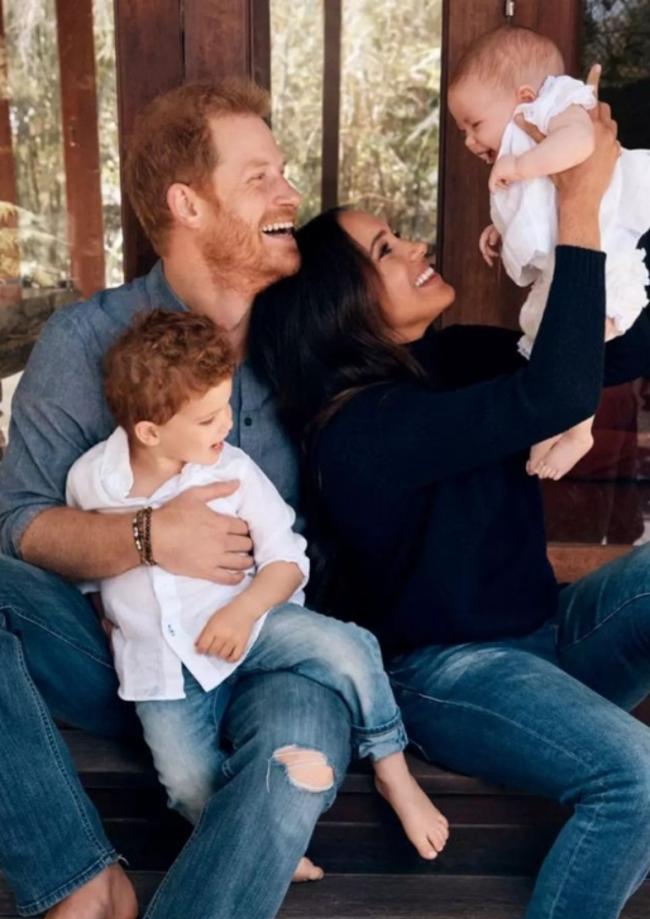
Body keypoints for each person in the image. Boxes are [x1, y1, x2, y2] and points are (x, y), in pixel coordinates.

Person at [250, 96, 650, 919]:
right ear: (339, 308)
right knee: (635, 781)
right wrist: (576, 202)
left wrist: (581, 224)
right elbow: (550, 401)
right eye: (387, 250)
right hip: (454, 676)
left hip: (547, 641)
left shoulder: (452, 357)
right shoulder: (356, 432)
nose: (419, 247)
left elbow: (607, 359)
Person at [0, 79, 375, 919]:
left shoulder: (311, 334)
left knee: (292, 769)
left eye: (283, 174)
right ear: (187, 203)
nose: (289, 195)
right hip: (127, 657)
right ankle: (81, 879)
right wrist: (147, 533)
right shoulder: (86, 341)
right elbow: (19, 527)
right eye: (261, 179)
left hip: (276, 647)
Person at [66, 308, 448, 865]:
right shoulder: (91, 481)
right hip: (163, 668)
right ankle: (253, 840)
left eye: (226, 406)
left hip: (255, 621)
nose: (225, 425)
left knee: (350, 647)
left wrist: (243, 612)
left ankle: (393, 769)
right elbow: (85, 562)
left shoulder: (234, 471)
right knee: (184, 780)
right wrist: (103, 607)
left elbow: (289, 560)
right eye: (206, 418)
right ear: (150, 431)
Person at [447, 26, 650, 481]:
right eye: (462, 131)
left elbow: (581, 145)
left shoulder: (560, 105)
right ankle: (552, 425)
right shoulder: (530, 140)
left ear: (523, 96)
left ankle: (579, 432)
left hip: (607, 260)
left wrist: (519, 165)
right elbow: (538, 207)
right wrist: (498, 230)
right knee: (551, 348)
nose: (469, 142)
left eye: (475, 125)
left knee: (577, 346)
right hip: (566, 267)